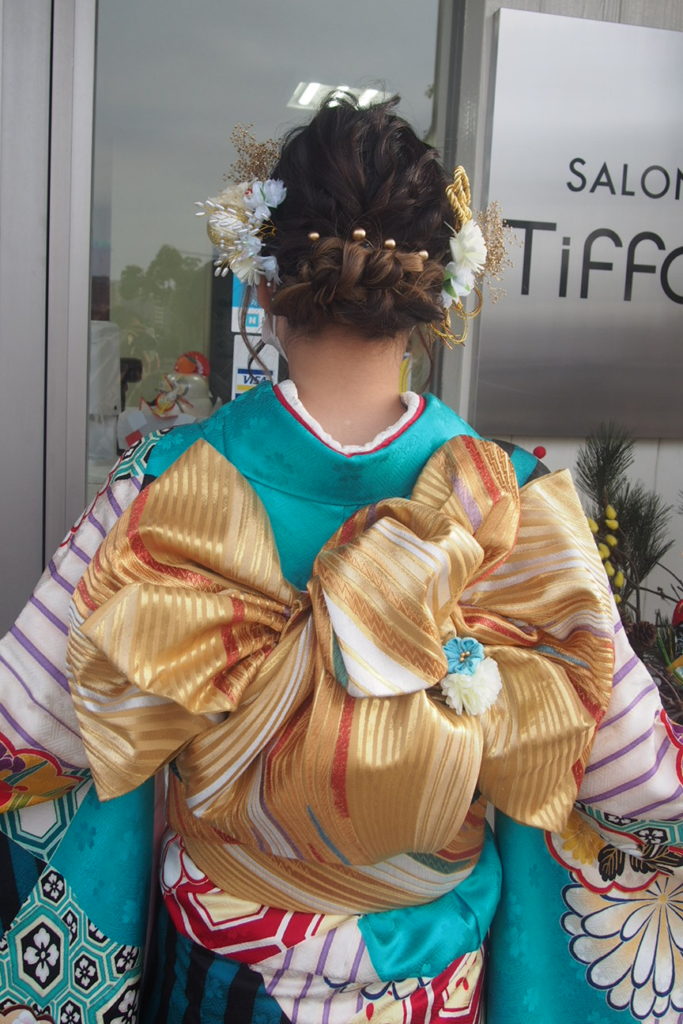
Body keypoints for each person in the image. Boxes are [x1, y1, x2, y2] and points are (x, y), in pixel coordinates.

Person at [1, 96, 682, 1024]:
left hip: (220, 973)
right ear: (435, 301)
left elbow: (32, 734)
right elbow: (631, 780)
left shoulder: (163, 487)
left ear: (267, 288)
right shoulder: (514, 506)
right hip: (428, 982)